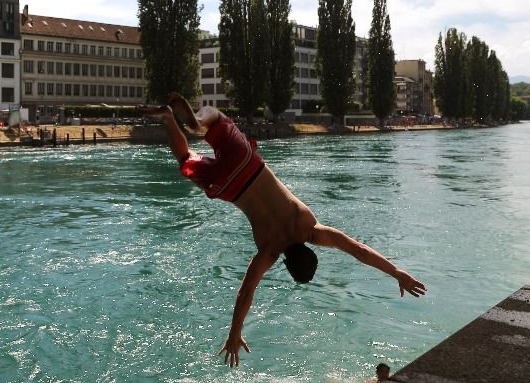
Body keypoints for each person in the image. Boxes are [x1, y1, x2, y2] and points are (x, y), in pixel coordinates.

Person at [138, 93, 426, 367]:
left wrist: (397, 272)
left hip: (247, 164)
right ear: (288, 265)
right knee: (185, 158)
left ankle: (197, 121)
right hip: (229, 186)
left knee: (214, 118)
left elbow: (358, 250)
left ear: (312, 251)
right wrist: (234, 332)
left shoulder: (309, 229)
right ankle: (169, 118)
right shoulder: (269, 250)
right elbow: (246, 292)